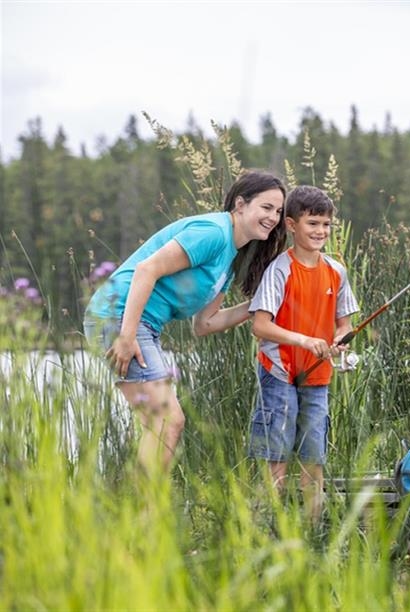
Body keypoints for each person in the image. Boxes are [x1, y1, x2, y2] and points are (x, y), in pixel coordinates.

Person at [83, 170, 288, 475]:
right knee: (166, 420)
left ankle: (140, 510)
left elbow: (204, 324)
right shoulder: (213, 233)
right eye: (267, 207)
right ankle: (146, 513)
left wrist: (263, 304)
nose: (274, 217)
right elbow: (146, 270)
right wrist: (126, 338)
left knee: (159, 423)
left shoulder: (229, 259)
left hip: (143, 327)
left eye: (279, 211)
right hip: (118, 316)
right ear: (241, 205)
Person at [247, 185, 359, 520]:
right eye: (313, 224)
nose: (320, 231)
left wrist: (339, 340)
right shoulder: (279, 269)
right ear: (291, 225)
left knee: (314, 458)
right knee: (276, 457)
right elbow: (261, 326)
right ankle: (262, 530)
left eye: (325, 225)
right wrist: (305, 340)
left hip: (318, 378)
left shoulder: (336, 272)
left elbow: (345, 325)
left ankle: (314, 532)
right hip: (279, 373)